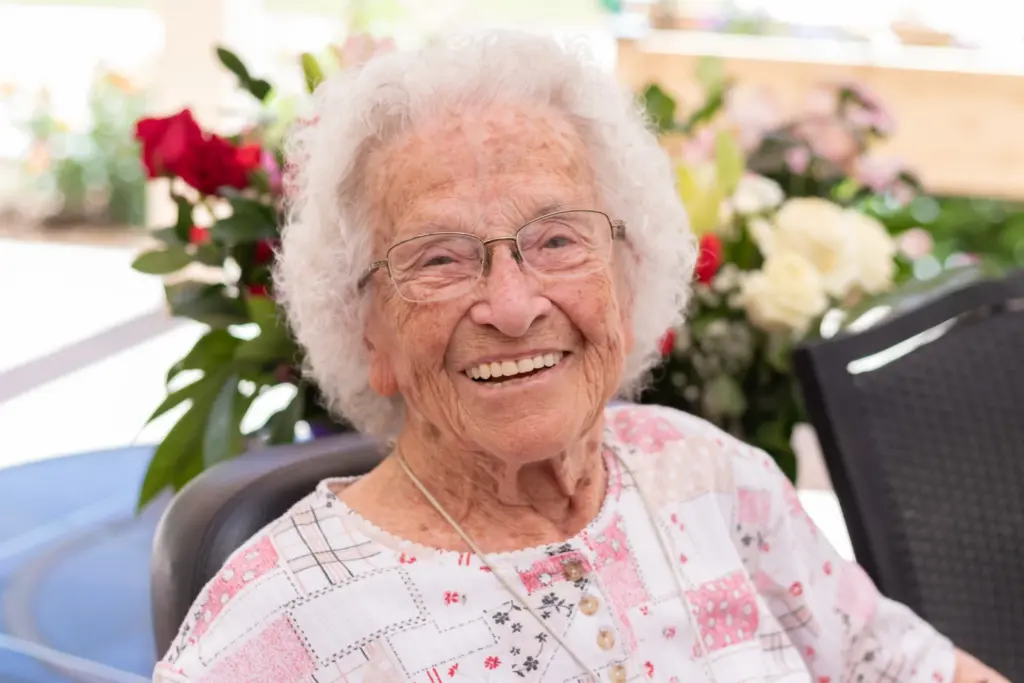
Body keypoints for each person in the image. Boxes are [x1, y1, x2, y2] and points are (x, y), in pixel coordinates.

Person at [153, 32, 1007, 683]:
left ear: (627, 278)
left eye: (556, 239)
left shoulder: (708, 475)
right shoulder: (278, 628)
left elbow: (906, 664)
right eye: (441, 258)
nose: (514, 304)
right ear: (367, 330)